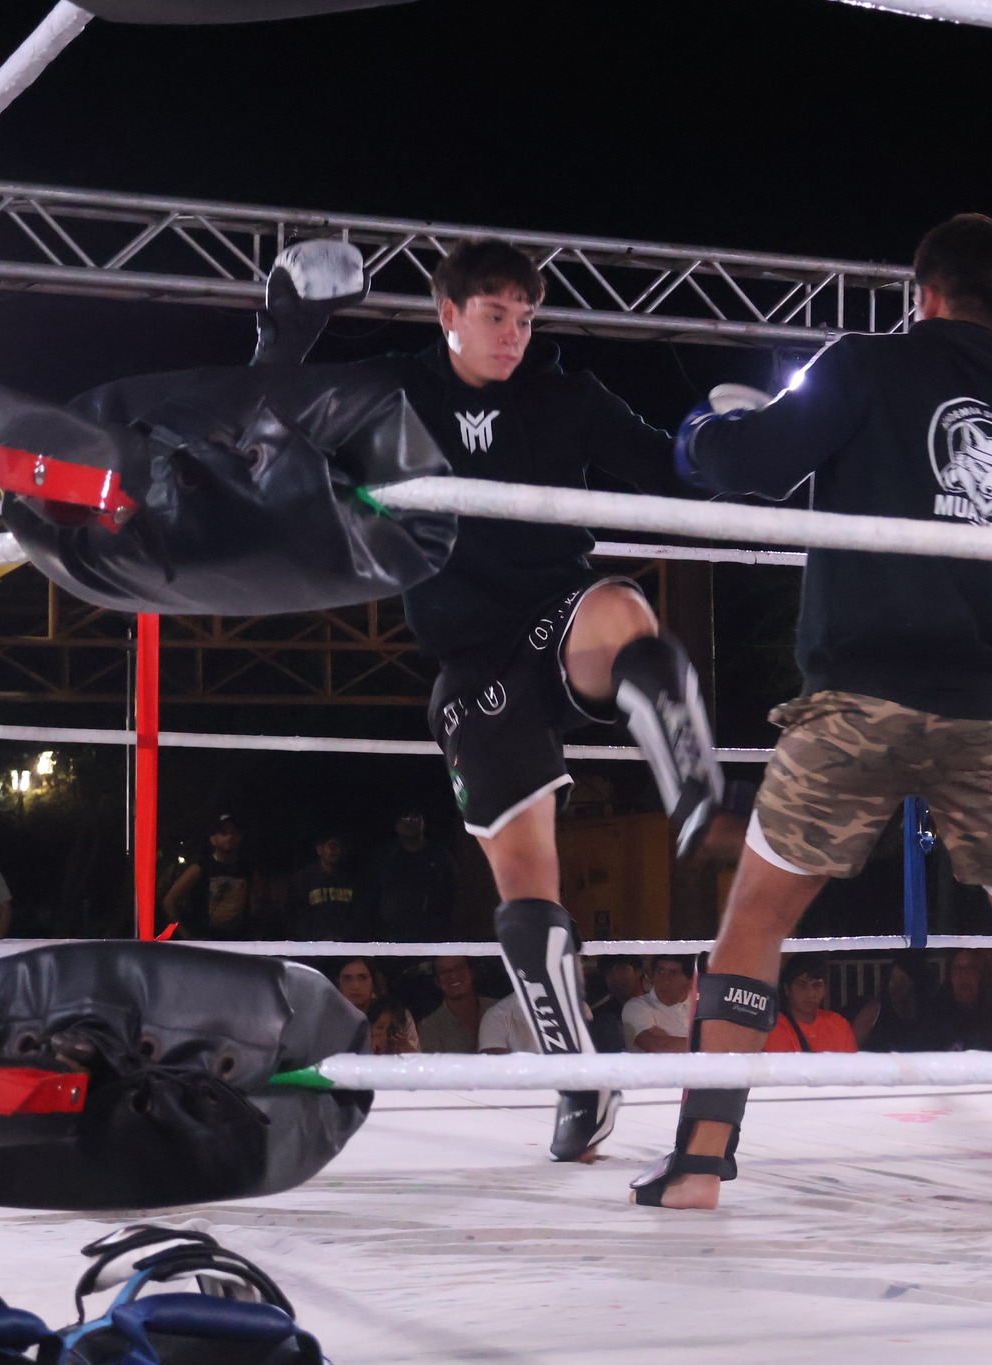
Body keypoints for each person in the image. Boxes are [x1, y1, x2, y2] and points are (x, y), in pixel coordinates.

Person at [638, 214, 992, 1218]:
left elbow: (738, 466)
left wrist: (706, 425)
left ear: (924, 294)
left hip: (860, 695)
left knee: (758, 917)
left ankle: (698, 1160)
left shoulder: (867, 365)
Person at [394, 239, 742, 1161]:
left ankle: (693, 784)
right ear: (449, 313)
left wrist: (732, 440)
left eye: (525, 316)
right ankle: (578, 1078)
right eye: (495, 314)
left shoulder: (566, 395)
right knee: (525, 883)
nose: (513, 334)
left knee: (622, 605)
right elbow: (283, 434)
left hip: (554, 618)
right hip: (473, 666)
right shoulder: (391, 393)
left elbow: (666, 472)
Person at [164, 815, 262, 940]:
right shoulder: (201, 868)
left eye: (234, 832)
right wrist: (186, 935)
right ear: (213, 839)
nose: (230, 837)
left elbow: (256, 904)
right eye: (223, 833)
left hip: (237, 940)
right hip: (206, 939)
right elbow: (169, 901)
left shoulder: (247, 869)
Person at [368, 809, 458, 942]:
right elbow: (371, 898)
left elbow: (454, 895)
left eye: (415, 817)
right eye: (405, 817)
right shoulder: (385, 857)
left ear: (423, 822)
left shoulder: (440, 855)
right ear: (396, 824)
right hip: (391, 939)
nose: (410, 822)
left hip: (433, 938)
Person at [764, 956, 858, 1053]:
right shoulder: (772, 1027)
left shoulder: (839, 1025)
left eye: (817, 985)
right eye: (802, 985)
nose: (810, 993)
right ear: (787, 989)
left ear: (825, 990)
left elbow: (852, 1066)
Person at [417, 956, 501, 1054]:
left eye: (459, 968)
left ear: (472, 972)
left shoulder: (500, 1009)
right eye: (444, 972)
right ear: (437, 981)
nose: (453, 975)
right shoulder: (429, 1027)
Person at [287, 833, 363, 941]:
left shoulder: (349, 880)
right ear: (320, 850)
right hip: (313, 947)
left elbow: (356, 914)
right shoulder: (304, 879)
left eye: (339, 847)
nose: (336, 851)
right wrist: (319, 938)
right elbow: (298, 915)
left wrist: (343, 937)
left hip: (344, 947)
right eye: (332, 846)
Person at [855, 952, 937, 1052]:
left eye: (902, 980)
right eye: (892, 979)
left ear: (915, 983)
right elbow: (851, 1045)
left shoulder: (927, 1014)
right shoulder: (874, 1010)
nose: (894, 986)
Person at [622, 955, 694, 1054]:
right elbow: (658, 1047)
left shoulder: (702, 1006)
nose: (665, 980)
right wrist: (708, 1043)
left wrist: (671, 1041)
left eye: (673, 973)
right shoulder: (636, 1006)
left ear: (690, 980)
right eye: (660, 972)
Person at [588, 955, 645, 1054]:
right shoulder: (600, 1015)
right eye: (609, 972)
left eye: (622, 969)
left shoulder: (656, 1006)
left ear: (639, 971)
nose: (616, 976)